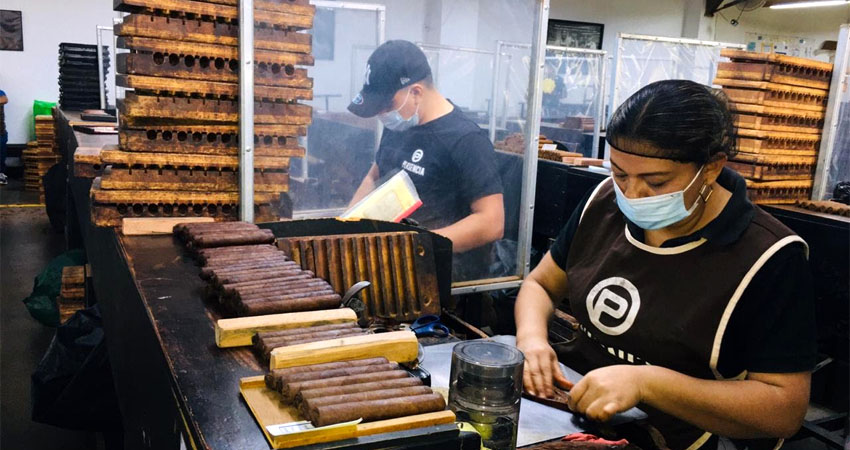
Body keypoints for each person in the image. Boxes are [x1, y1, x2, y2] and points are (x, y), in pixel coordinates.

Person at [515, 80, 816, 450]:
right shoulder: (603, 201)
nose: (632, 194)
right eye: (620, 173)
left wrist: (648, 383)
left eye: (656, 182)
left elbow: (784, 410)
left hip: (674, 438)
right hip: (571, 415)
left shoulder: (770, 255)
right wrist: (531, 339)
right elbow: (541, 285)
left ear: (711, 168)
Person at [347, 40, 505, 281]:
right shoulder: (399, 124)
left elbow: (491, 222)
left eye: (386, 105)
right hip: (393, 266)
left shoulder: (466, 139)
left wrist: (419, 247)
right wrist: (345, 223)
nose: (382, 114)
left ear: (416, 92)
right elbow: (375, 175)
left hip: (443, 277)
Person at [0, 88, 8, 185]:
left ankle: (1, 173)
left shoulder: (0, 93)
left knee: (1, 152)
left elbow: (4, 99)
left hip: (0, 132)